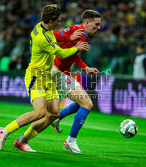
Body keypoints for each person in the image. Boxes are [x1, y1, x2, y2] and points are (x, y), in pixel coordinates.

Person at [0, 4, 90, 152]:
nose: (60, 23)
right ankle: (4, 131)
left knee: (53, 113)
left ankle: (22, 141)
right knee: (39, 112)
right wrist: (77, 47)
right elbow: (63, 53)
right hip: (36, 76)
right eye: (58, 20)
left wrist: (68, 37)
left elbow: (56, 36)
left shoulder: (42, 26)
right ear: (51, 20)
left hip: (47, 76)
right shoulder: (43, 38)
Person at [49, 9, 102, 153]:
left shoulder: (83, 35)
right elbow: (49, 37)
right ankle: (70, 140)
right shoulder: (75, 30)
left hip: (63, 73)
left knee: (84, 103)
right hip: (54, 72)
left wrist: (86, 68)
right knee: (87, 104)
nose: (98, 28)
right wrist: (68, 37)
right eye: (96, 25)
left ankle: (58, 120)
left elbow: (73, 54)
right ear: (86, 23)